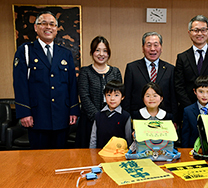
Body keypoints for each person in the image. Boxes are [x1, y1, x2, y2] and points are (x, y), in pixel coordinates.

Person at [13, 11, 80, 149]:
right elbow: (20, 83)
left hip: (61, 115)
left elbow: (72, 84)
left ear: (56, 29)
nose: (48, 27)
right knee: (39, 160)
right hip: (38, 116)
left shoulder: (65, 53)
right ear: (36, 27)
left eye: (52, 24)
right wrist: (24, 112)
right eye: (43, 23)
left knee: (60, 157)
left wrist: (73, 110)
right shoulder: (25, 51)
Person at [174, 15, 208, 114]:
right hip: (188, 110)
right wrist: (191, 108)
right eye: (196, 30)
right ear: (189, 32)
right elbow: (179, 86)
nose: (200, 33)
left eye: (203, 30)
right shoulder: (182, 57)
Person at [76, 36, 122, 148]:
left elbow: (119, 96)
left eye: (105, 51)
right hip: (89, 122)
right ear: (92, 52)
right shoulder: (85, 72)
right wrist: (99, 118)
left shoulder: (115, 72)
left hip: (112, 121)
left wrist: (109, 118)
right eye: (97, 50)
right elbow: (85, 97)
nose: (101, 54)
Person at [123, 31, 177, 120]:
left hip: (164, 118)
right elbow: (127, 97)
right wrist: (128, 120)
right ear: (142, 48)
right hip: (138, 118)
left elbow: (173, 98)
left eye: (156, 45)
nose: (152, 49)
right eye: (148, 45)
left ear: (161, 48)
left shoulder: (170, 69)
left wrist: (174, 119)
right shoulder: (132, 68)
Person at [182, 75, 208, 148]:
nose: (204, 95)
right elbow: (185, 134)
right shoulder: (188, 110)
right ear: (195, 91)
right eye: (201, 91)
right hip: (193, 148)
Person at [89, 80, 132, 148]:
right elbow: (93, 138)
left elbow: (128, 139)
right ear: (105, 96)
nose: (112, 98)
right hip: (100, 152)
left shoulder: (125, 116)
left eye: (116, 95)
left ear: (122, 97)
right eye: (109, 95)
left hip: (119, 154)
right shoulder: (98, 115)